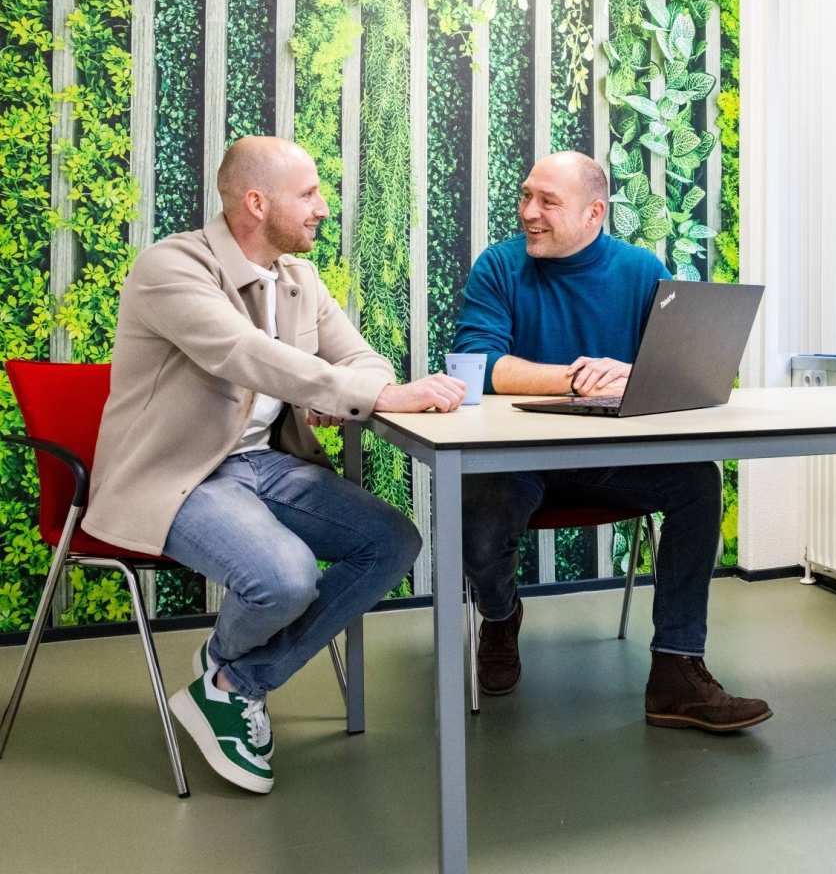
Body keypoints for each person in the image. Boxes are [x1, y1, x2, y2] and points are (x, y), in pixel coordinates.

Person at [83, 136, 465, 794]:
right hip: (180, 475)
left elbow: (363, 360)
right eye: (309, 193)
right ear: (256, 203)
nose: (322, 207)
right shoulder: (170, 268)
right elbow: (247, 355)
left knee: (391, 542)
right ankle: (233, 680)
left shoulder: (299, 280)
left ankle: (233, 678)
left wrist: (348, 390)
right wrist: (354, 394)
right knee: (286, 580)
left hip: (265, 465)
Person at [453, 150, 772, 732]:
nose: (528, 212)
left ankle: (677, 669)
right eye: (526, 196)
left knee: (698, 480)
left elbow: (678, 370)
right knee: (479, 507)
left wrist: (630, 372)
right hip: (515, 461)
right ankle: (500, 617)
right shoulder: (498, 267)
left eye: (547, 201)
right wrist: (576, 377)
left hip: (608, 461)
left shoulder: (640, 268)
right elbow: (480, 366)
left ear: (594, 212)